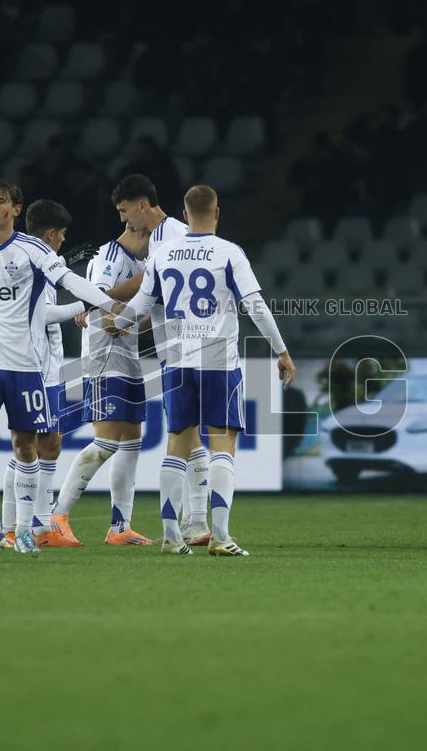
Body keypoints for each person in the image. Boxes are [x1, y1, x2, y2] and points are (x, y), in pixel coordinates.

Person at [111, 185, 296, 556]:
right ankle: (220, 536)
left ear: (184, 214)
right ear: (217, 212)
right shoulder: (229, 252)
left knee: (177, 444)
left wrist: (113, 324)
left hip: (176, 358)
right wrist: (281, 350)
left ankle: (171, 536)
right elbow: (255, 306)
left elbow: (140, 306)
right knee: (223, 442)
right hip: (217, 358)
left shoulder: (163, 253)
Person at [0, 179, 117, 554]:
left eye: (0, 201)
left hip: (24, 366)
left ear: (16, 209)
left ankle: (22, 530)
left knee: (26, 446)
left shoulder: (33, 250)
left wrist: (106, 303)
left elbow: (68, 279)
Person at [87, 174, 214, 546]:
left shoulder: (171, 233)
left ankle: (194, 523)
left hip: (186, 347)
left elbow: (148, 282)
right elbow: (157, 299)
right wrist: (127, 322)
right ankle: (194, 522)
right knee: (188, 434)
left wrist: (100, 299)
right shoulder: (162, 236)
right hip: (178, 346)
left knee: (187, 434)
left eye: (125, 211)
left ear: (143, 205)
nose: (124, 220)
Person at [47, 222, 156, 547]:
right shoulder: (110, 257)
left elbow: (130, 315)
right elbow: (98, 304)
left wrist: (143, 318)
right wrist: (98, 311)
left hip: (128, 358)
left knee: (131, 441)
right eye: (151, 238)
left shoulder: (140, 262)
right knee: (106, 442)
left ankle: (120, 527)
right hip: (104, 358)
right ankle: (56, 517)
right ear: (139, 230)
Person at [0, 199, 89, 549]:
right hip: (32, 364)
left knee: (46, 443)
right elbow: (43, 314)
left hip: (45, 365)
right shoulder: (31, 262)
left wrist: (65, 262)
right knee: (32, 445)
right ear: (51, 233)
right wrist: (86, 303)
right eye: (62, 234)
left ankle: (32, 526)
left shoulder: (34, 260)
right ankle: (18, 527)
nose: (64, 240)